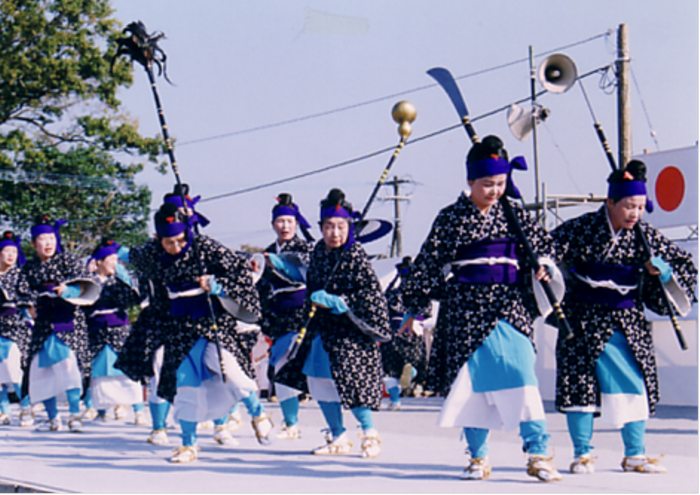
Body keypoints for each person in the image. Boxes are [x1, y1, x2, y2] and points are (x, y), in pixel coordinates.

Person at [401, 135, 564, 482]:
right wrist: (415, 307)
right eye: (487, 184)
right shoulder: (450, 218)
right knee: (469, 385)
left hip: (509, 305)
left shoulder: (515, 212)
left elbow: (544, 245)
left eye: (501, 183)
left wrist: (544, 264)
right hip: (465, 308)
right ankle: (477, 456)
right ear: (470, 181)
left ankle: (537, 451)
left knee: (522, 375)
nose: (494, 191)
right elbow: (428, 264)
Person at [550, 159, 697, 475]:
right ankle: (582, 454)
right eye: (629, 206)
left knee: (634, 384)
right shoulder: (581, 229)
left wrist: (665, 272)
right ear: (610, 201)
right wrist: (547, 270)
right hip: (583, 319)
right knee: (580, 385)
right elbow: (545, 251)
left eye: (641, 207)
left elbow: (685, 266)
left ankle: (635, 454)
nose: (635, 213)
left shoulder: (646, 236)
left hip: (626, 321)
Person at [123, 201, 272, 463]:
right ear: (159, 238)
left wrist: (217, 284)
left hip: (212, 324)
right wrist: (112, 251)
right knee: (185, 385)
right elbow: (129, 255)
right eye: (169, 242)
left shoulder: (206, 248)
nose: (176, 247)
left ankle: (257, 411)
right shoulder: (152, 253)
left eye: (181, 240)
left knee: (230, 371)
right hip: (178, 327)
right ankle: (188, 444)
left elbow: (242, 276)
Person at [283, 188, 390, 458]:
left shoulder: (355, 254)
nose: (335, 233)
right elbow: (310, 285)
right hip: (322, 329)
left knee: (351, 380)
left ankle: (369, 433)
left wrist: (340, 300)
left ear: (349, 227)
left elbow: (371, 295)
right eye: (329, 226)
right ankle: (338, 435)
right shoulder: (319, 251)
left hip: (350, 330)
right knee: (318, 381)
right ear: (321, 228)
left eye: (341, 226)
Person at [17, 216, 100, 433]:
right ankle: (53, 418)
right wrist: (29, 306)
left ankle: (75, 414)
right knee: (40, 371)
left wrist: (68, 291)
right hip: (43, 324)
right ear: (34, 243)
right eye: (42, 239)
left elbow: (88, 287)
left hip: (68, 321)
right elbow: (22, 292)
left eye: (51, 238)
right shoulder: (29, 268)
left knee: (69, 367)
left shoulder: (69, 261)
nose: (48, 243)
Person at [255, 193, 314, 440]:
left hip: (303, 313)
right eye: (280, 222)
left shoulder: (305, 248)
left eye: (290, 221)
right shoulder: (267, 252)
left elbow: (300, 271)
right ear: (273, 225)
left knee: (308, 367)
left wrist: (275, 262)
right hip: (279, 314)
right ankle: (291, 423)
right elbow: (260, 287)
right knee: (280, 365)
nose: (285, 226)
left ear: (296, 223)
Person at [82, 239, 146, 425]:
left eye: (116, 258)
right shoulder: (89, 281)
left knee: (128, 369)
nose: (115, 262)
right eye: (110, 258)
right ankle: (100, 409)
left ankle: (138, 409)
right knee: (98, 371)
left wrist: (123, 276)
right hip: (96, 328)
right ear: (99, 261)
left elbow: (134, 296)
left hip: (119, 327)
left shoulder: (119, 280)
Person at [380, 256, 429, 411]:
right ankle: (412, 371)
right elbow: (426, 313)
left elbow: (381, 308)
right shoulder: (421, 294)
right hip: (414, 332)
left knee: (389, 371)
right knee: (415, 362)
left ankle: (395, 401)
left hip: (393, 331)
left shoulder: (392, 292)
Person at [0, 231, 33, 426]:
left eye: (14, 251)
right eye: (6, 250)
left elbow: (28, 299)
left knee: (14, 369)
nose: (11, 255)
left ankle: (26, 407)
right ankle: (3, 410)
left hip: (15, 326)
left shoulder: (21, 275)